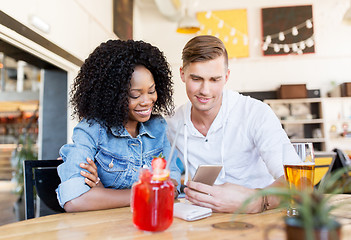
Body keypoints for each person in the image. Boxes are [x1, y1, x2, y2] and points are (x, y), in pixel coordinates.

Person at [167, 35, 291, 213]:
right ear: (182, 74)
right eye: (196, 79)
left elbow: (300, 181)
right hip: (200, 221)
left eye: (214, 80)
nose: (205, 90)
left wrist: (258, 201)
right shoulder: (172, 124)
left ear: (226, 77)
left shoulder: (255, 113)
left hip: (260, 220)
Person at [56, 39, 181, 212]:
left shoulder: (158, 127)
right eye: (134, 95)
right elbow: (74, 200)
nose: (147, 101)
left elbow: (172, 187)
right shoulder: (92, 130)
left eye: (151, 91)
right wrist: (145, 193)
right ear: (112, 96)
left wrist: (102, 192)